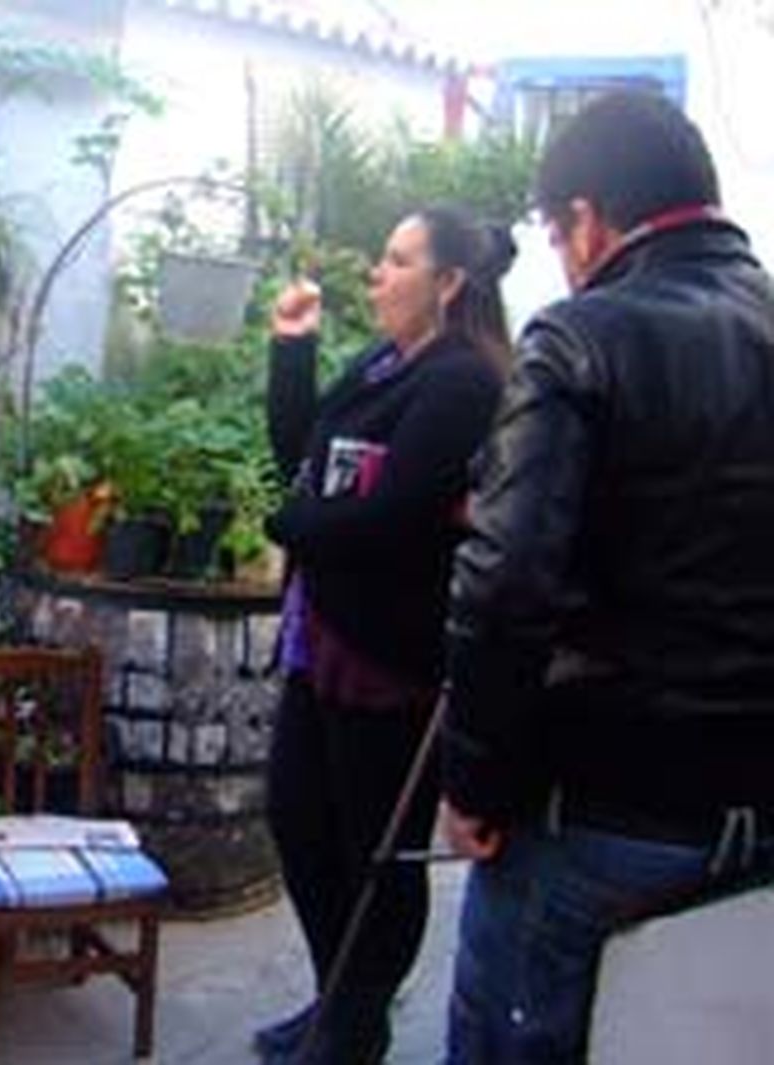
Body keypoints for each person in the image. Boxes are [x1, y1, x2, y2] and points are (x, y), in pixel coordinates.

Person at [441, 91, 774, 1063]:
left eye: (556, 232)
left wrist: (475, 784)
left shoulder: (579, 336)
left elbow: (504, 585)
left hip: (596, 814)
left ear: (585, 218)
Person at [259, 205, 515, 1063]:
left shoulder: (461, 382)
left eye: (398, 260)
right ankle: (340, 1000)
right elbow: (302, 445)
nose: (377, 273)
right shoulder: (383, 362)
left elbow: (398, 512)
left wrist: (290, 525)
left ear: (448, 283)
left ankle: (354, 1019)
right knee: (299, 819)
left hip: (387, 650)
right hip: (323, 635)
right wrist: (292, 348)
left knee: (374, 851)